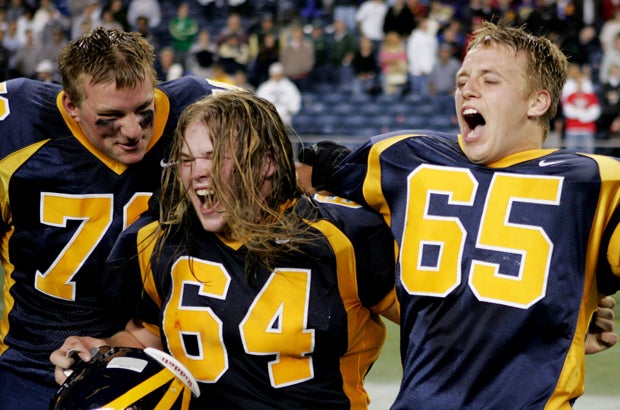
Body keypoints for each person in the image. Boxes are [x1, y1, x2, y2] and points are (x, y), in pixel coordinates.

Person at [299, 21, 620, 407]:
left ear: (538, 102)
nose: (467, 89)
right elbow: (310, 172)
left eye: (490, 80)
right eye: (462, 79)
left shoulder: (594, 183)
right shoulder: (406, 158)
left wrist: (562, 317)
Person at [50, 90, 399, 408]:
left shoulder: (344, 237)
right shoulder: (156, 240)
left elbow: (436, 323)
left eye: (214, 158)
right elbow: (154, 333)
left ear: (266, 163)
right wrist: (102, 350)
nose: (198, 173)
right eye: (187, 160)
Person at [0, 27, 230, 410]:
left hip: (167, 361)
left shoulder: (200, 115)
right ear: (71, 105)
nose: (133, 131)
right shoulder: (17, 127)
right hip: (35, 361)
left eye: (144, 111)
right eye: (110, 117)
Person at [256, 62, 301, 128]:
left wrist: (290, 110)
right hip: (269, 117)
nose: (276, 76)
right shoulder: (265, 87)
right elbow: (259, 100)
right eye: (274, 74)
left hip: (286, 118)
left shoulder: (289, 86)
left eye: (278, 74)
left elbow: (296, 100)